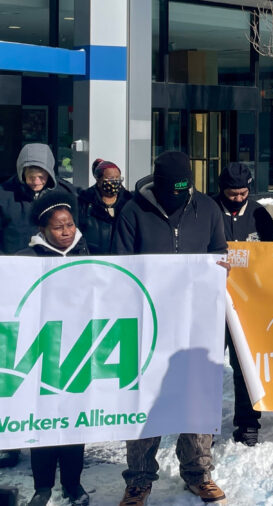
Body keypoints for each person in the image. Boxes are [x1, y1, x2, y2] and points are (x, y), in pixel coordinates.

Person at [112, 151, 227, 506]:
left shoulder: (207, 209)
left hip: (196, 322)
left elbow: (219, 254)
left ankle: (197, 472)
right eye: (172, 191)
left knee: (197, 396)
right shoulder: (134, 211)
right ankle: (139, 477)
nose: (178, 198)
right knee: (145, 399)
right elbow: (121, 264)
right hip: (148, 322)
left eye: (184, 190)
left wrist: (220, 269)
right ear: (158, 185)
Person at [17, 191, 89, 505]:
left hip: (78, 353)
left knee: (74, 422)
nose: (66, 232)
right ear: (43, 230)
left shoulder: (90, 255)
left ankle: (73, 485)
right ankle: (42, 487)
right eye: (58, 227)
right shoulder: (24, 259)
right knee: (43, 422)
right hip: (41, 353)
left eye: (70, 225)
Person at [214, 162, 273, 447]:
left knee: (244, 365)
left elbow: (272, 254)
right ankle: (204, 426)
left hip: (247, 302)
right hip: (213, 300)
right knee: (210, 364)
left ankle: (248, 422)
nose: (238, 199)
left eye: (243, 193)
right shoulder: (209, 210)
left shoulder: (259, 213)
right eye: (232, 193)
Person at [0, 143, 78, 254]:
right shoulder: (4, 196)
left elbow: (77, 232)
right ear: (22, 174)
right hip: (14, 263)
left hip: (53, 263)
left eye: (41, 177)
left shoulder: (65, 194)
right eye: (31, 177)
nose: (36, 182)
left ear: (49, 173)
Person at [77, 159, 132, 254]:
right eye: (110, 178)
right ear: (98, 180)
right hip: (93, 258)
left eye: (118, 178)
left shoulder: (129, 202)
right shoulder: (84, 202)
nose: (115, 181)